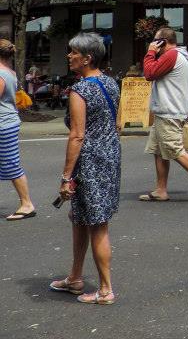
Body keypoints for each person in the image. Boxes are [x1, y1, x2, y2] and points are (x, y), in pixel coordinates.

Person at [50, 33, 120, 304]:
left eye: (73, 53)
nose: (69, 56)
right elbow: (116, 124)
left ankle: (105, 289)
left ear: (87, 58)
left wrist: (66, 176)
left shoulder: (81, 89)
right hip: (110, 155)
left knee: (97, 224)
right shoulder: (110, 83)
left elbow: (77, 135)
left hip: (89, 160)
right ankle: (75, 277)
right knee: (80, 218)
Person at [141, 27, 188, 205]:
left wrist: (150, 53)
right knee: (158, 151)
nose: (152, 44)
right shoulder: (181, 55)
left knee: (174, 149)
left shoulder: (171, 55)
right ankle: (161, 190)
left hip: (169, 111)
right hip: (168, 111)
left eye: (155, 41)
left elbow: (149, 73)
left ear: (163, 42)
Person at [0, 39, 35, 221]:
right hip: (9, 121)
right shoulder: (10, 72)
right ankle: (26, 202)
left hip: (3, 124)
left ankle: (27, 203)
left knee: (11, 164)